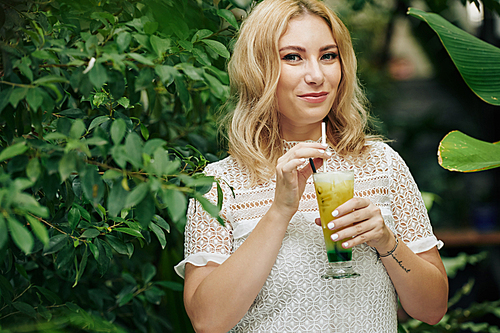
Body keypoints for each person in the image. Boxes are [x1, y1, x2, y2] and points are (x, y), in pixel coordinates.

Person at [174, 0, 449, 332]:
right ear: (259, 68)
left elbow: (433, 309)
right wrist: (279, 211)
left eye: (328, 56)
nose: (317, 75)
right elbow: (207, 322)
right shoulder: (219, 184)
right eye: (293, 57)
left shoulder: (382, 164)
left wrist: (386, 241)